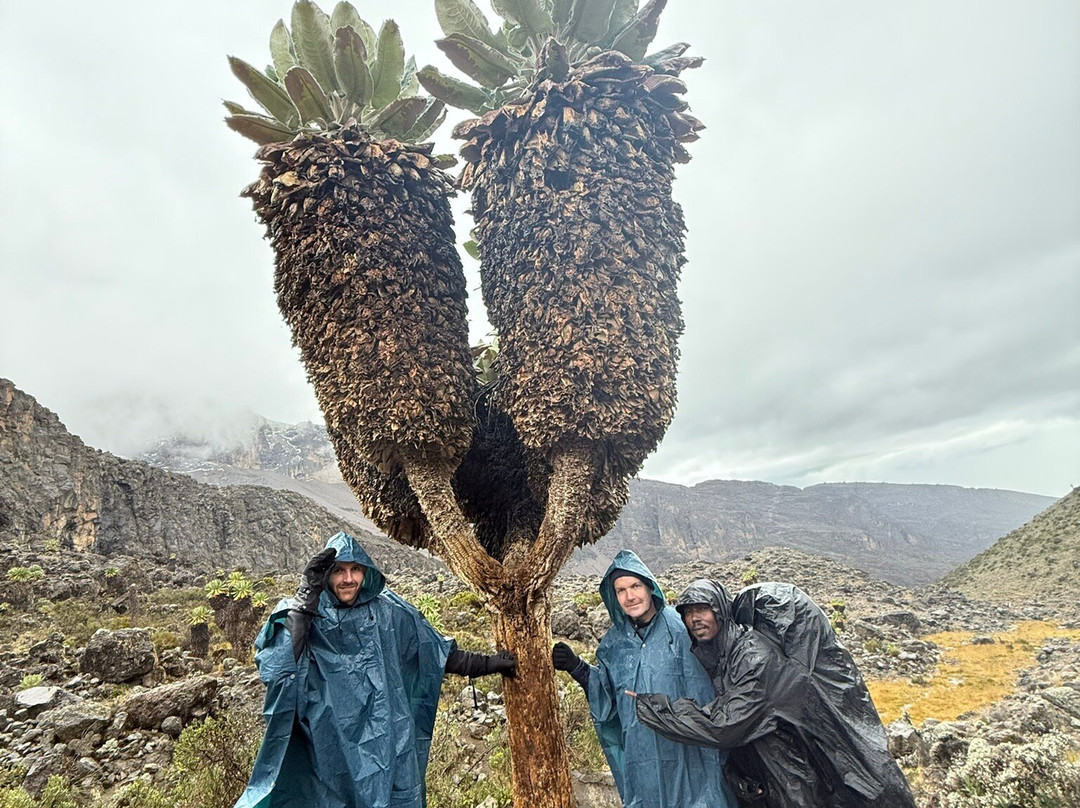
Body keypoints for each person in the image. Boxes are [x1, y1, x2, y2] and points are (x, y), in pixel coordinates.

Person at [234, 531, 516, 808]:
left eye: (355, 569)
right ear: (325, 574)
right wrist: (306, 602)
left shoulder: (389, 611)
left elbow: (437, 653)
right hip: (328, 751)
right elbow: (278, 670)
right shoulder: (303, 614)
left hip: (389, 747)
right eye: (338, 570)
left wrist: (491, 664)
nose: (348, 578)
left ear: (366, 571)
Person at [633, 579, 917, 808]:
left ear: (720, 611)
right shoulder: (722, 657)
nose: (694, 619)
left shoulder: (753, 657)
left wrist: (655, 708)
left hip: (799, 782)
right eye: (688, 613)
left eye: (702, 610)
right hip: (775, 781)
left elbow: (724, 725)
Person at [552, 550, 735, 808]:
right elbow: (607, 700)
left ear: (650, 587)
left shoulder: (682, 629)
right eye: (621, 590)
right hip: (643, 759)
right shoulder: (613, 645)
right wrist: (578, 667)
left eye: (636, 586)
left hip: (691, 756)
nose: (630, 596)